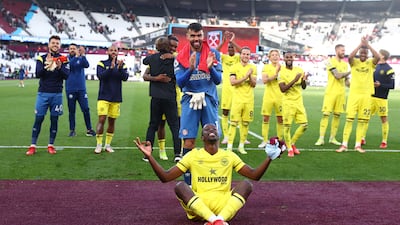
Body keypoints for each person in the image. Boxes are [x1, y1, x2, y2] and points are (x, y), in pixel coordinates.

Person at [134, 123, 284, 225]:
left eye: (214, 128)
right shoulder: (193, 155)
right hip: (200, 204)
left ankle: (216, 220)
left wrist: (269, 158)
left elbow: (254, 175)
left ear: (218, 134)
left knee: (247, 184)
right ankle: (216, 220)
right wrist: (150, 156)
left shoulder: (229, 155)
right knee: (180, 185)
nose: (211, 129)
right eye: (207, 129)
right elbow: (165, 177)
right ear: (202, 138)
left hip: (224, 205)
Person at [175, 22, 222, 185]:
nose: (196, 39)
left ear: (203, 36)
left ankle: (213, 177)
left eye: (199, 35)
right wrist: (190, 68)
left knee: (212, 138)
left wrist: (211, 68)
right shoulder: (181, 55)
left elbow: (218, 80)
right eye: (193, 36)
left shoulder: (213, 53)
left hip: (208, 98)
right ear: (187, 36)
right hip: (190, 100)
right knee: (189, 141)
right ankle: (188, 183)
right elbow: (180, 83)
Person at [26, 35, 69, 155]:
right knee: (39, 119)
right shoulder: (41, 58)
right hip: (43, 94)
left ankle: (51, 145)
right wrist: (47, 65)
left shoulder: (64, 59)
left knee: (54, 120)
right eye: (53, 43)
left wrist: (59, 67)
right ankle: (33, 145)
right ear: (49, 45)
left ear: (59, 46)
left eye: (57, 43)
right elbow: (38, 74)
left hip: (57, 94)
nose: (55, 45)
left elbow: (66, 75)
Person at [336, 37, 379, 153]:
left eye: (365, 53)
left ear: (368, 54)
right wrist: (360, 44)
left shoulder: (370, 63)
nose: (363, 54)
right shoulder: (354, 62)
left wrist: (368, 45)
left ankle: (358, 145)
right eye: (361, 53)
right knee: (349, 120)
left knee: (362, 121)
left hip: (366, 96)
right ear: (359, 53)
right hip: (354, 95)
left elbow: (378, 57)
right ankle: (344, 144)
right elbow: (349, 57)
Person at [141, 36, 181, 162]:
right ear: (168, 47)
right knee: (175, 126)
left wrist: (155, 75)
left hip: (156, 96)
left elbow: (144, 61)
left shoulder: (152, 59)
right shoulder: (174, 61)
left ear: (157, 47)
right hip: (169, 96)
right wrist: (173, 57)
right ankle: (177, 154)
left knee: (153, 125)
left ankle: (147, 153)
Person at [94, 45, 129, 154]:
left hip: (116, 97)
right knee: (102, 119)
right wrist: (110, 68)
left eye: (115, 50)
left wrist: (119, 68)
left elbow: (125, 77)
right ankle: (98, 144)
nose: (113, 52)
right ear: (107, 52)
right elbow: (100, 76)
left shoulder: (121, 65)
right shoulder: (102, 63)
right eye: (111, 50)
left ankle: (107, 145)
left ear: (118, 52)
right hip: (103, 96)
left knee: (112, 121)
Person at [314, 44, 350, 146]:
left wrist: (358, 86)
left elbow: (347, 82)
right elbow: (337, 75)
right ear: (336, 50)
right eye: (342, 50)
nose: (344, 52)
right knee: (326, 115)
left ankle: (332, 138)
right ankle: (321, 138)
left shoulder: (345, 64)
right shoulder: (329, 61)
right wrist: (351, 72)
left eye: (344, 50)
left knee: (337, 115)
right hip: (331, 93)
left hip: (341, 94)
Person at [226, 47, 257, 154]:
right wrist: (246, 76)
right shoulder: (234, 67)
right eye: (244, 54)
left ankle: (241, 146)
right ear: (241, 55)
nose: (246, 56)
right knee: (233, 123)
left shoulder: (253, 67)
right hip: (237, 100)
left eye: (248, 54)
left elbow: (254, 84)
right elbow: (233, 82)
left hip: (249, 100)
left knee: (245, 123)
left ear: (250, 56)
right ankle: (229, 146)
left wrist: (250, 76)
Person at [363, 49, 394, 149]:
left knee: (383, 119)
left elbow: (392, 85)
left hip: (382, 99)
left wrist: (380, 85)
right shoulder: (374, 66)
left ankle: (384, 141)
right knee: (365, 118)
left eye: (378, 53)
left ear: (383, 56)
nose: (375, 54)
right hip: (371, 97)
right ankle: (362, 137)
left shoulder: (389, 69)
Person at [278, 52, 308, 157]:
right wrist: (295, 80)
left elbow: (304, 87)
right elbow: (282, 89)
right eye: (287, 57)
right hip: (288, 103)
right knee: (287, 127)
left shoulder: (299, 70)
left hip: (299, 102)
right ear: (284, 59)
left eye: (291, 57)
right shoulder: (281, 72)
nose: (289, 59)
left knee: (304, 125)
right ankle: (290, 149)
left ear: (293, 58)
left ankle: (291, 143)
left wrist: (304, 80)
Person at [65, 44, 96, 137]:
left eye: (74, 48)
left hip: (81, 89)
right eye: (70, 49)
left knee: (86, 109)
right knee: (72, 110)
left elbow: (87, 65)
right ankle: (72, 130)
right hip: (70, 88)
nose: (72, 50)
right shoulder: (66, 59)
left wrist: (83, 55)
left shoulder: (81, 58)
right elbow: (70, 65)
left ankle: (89, 129)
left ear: (77, 50)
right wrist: (77, 56)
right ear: (68, 50)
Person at [216, 31, 241, 144]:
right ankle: (226, 136)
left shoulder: (238, 58)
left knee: (238, 113)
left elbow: (242, 51)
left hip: (237, 89)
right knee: (225, 112)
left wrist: (232, 41)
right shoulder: (224, 57)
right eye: (229, 47)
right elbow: (215, 51)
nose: (231, 49)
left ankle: (241, 137)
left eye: (232, 47)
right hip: (226, 89)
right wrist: (224, 41)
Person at [258, 49, 283, 148]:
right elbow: (265, 80)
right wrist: (275, 75)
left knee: (280, 119)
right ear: (269, 57)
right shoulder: (266, 67)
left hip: (280, 96)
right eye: (272, 55)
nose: (275, 56)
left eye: (276, 55)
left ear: (279, 56)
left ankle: (280, 141)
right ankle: (264, 140)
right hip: (268, 96)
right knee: (265, 118)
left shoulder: (283, 68)